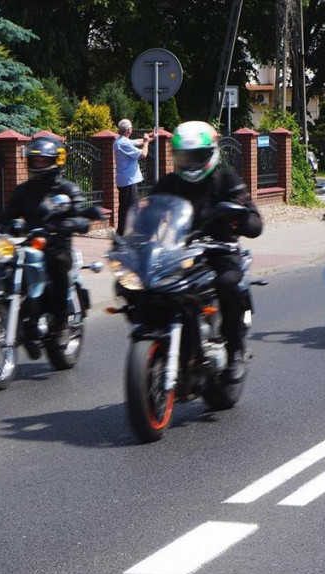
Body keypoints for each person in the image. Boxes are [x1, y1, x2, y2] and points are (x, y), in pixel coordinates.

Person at [149, 121, 263, 384]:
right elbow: (150, 210)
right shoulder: (169, 183)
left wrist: (241, 217)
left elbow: (255, 222)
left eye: (196, 156)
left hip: (219, 251)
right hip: (179, 253)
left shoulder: (226, 180)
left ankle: (235, 352)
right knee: (145, 288)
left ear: (211, 153)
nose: (189, 162)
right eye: (184, 156)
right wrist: (132, 239)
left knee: (228, 283)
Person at [0, 136, 101, 358]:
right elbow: (6, 217)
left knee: (57, 262)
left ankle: (61, 324)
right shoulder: (23, 190)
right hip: (29, 245)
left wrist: (71, 223)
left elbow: (80, 215)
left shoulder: (67, 189)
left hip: (57, 246)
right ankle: (5, 304)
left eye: (43, 160)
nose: (38, 164)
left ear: (56, 161)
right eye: (35, 160)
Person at [114, 120, 154, 235]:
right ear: (129, 130)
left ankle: (122, 233)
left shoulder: (121, 141)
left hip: (126, 180)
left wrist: (151, 136)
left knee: (125, 207)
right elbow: (143, 154)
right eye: (131, 127)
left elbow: (137, 141)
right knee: (131, 208)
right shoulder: (123, 144)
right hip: (128, 181)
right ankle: (128, 233)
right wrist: (146, 143)